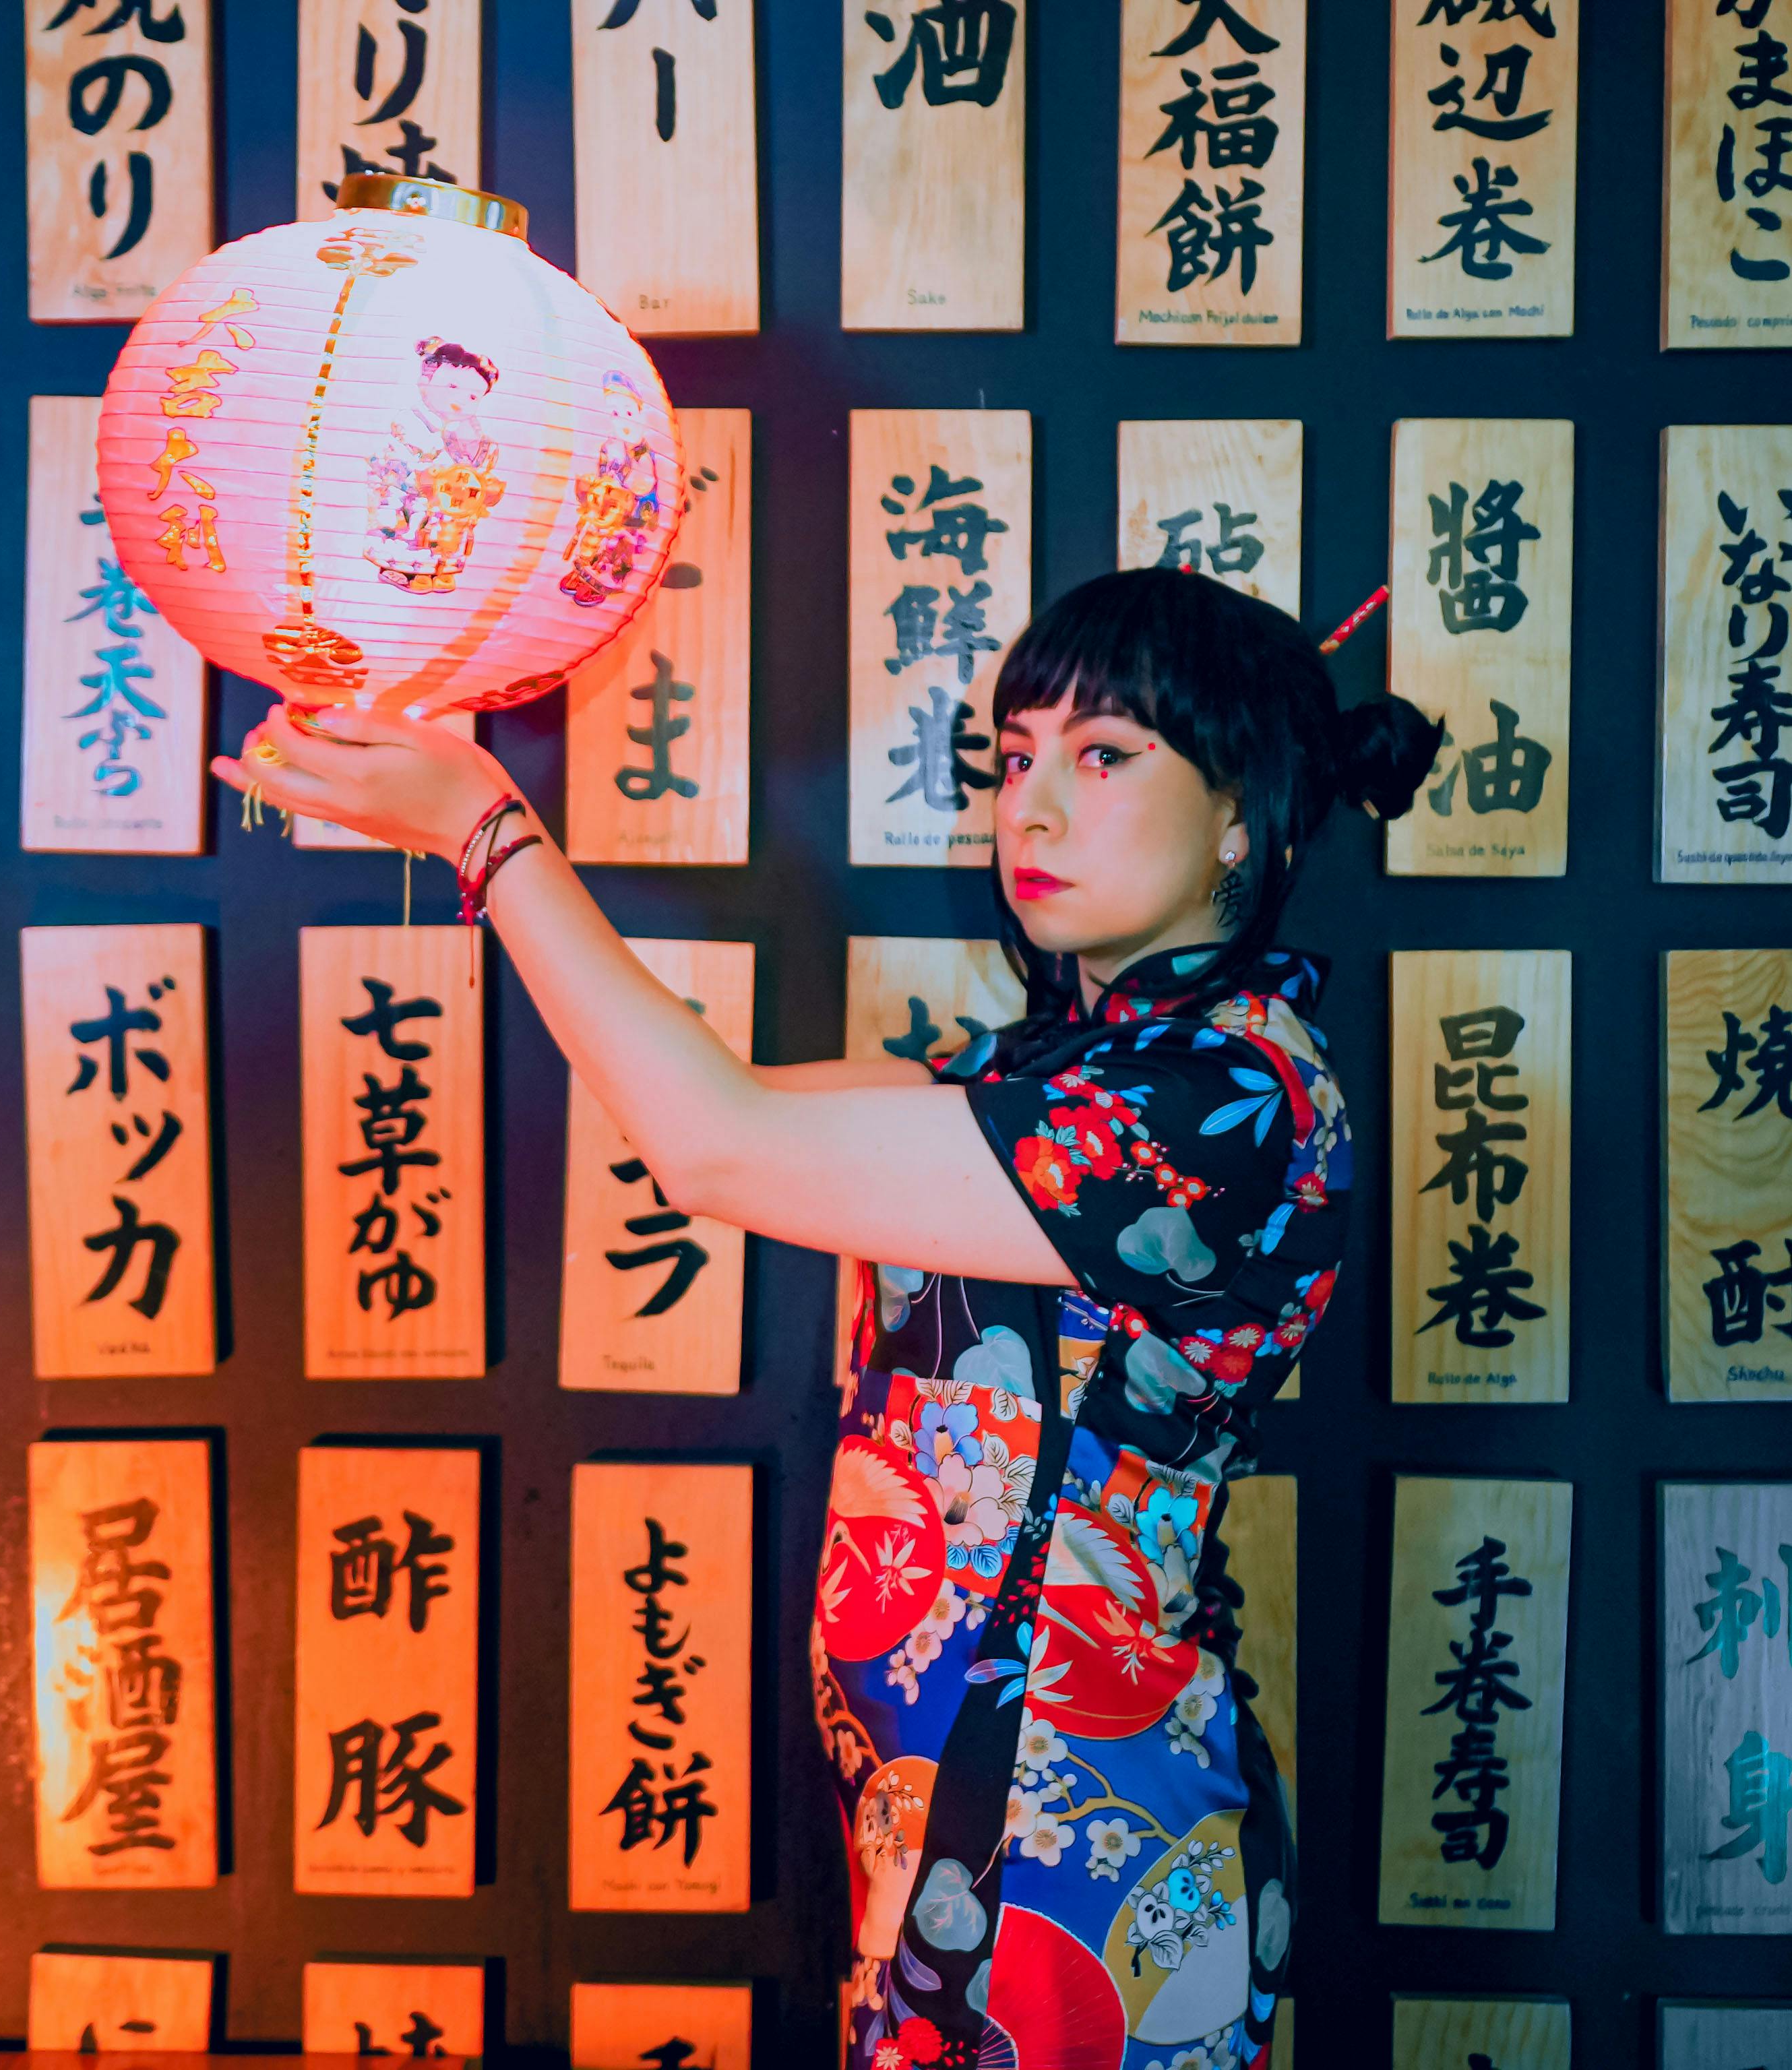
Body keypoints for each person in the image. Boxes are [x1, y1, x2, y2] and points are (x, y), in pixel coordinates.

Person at [214, 568, 1441, 2070]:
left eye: (1106, 754)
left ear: (1244, 812)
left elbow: (712, 1140)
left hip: (1074, 1838)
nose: (1033, 809)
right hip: (966, 1820)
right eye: (1016, 755)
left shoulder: (1223, 1100)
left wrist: (485, 831)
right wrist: (433, 769)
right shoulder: (1066, 1076)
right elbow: (705, 1111)